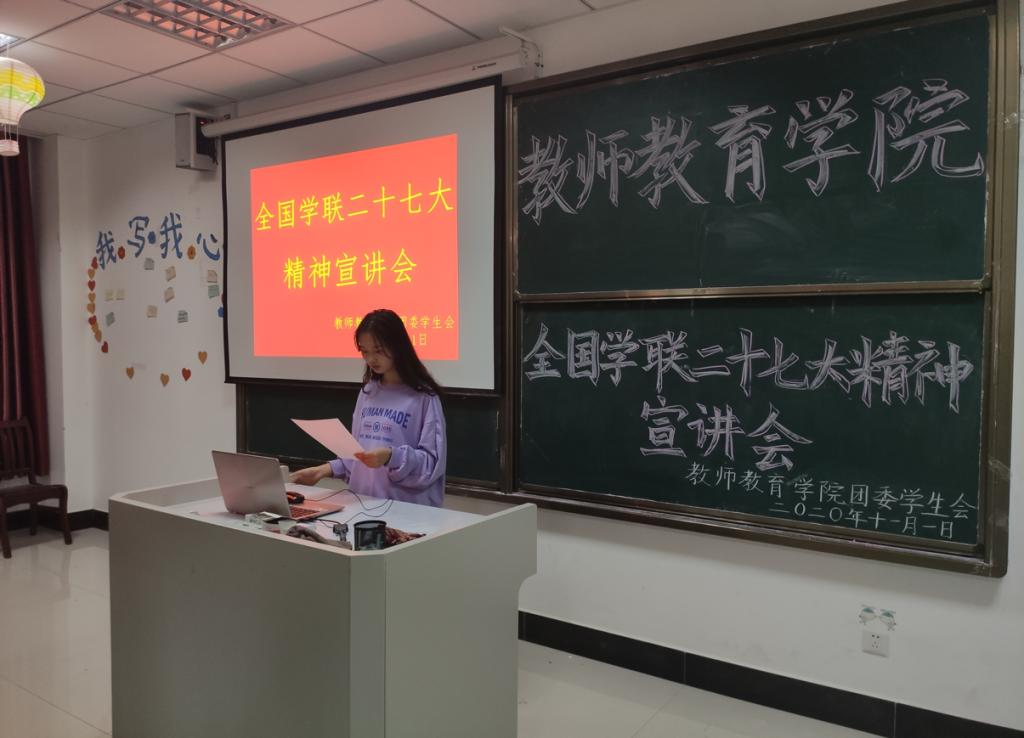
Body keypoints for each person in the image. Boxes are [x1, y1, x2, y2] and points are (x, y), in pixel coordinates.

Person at [290, 309, 447, 507]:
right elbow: (357, 454)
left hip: (405, 510)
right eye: (365, 351)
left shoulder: (424, 397)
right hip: (363, 505)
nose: (371, 359)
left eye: (378, 350)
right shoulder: (368, 392)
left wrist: (391, 457)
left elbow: (431, 465)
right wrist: (323, 470)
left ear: (398, 346)